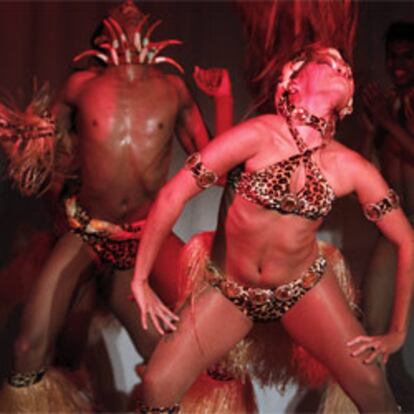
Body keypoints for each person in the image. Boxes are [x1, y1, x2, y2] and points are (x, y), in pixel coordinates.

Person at [131, 44, 414, 413]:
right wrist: (139, 278)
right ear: (291, 80)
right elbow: (173, 194)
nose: (341, 68)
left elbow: (407, 240)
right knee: (156, 384)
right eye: (328, 62)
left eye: (346, 68)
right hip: (232, 290)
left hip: (303, 289)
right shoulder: (257, 134)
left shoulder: (351, 167)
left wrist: (398, 332)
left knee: (373, 385)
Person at [0, 1, 218, 409]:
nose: (130, 6)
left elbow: (215, 165)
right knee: (29, 348)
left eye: (136, 7)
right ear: (103, 38)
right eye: (121, 9)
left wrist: (222, 98)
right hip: (87, 233)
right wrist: (16, 135)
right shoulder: (81, 86)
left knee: (176, 355)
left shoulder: (173, 89)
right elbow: (40, 158)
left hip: (143, 240)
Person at [360, 21, 414, 411]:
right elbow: (366, 170)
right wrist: (369, 128)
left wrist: (386, 122)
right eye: (392, 56)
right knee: (373, 332)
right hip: (398, 230)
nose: (397, 64)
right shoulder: (387, 106)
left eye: (407, 56)